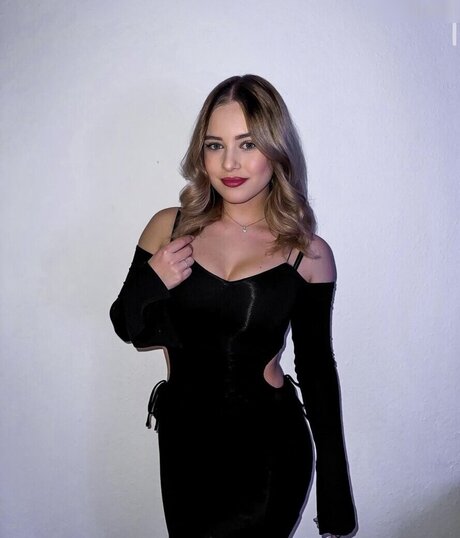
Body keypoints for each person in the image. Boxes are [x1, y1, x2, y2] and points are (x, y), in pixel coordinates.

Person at [110, 74, 357, 538]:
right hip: (184, 447)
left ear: (275, 151)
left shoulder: (307, 254)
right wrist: (153, 279)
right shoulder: (169, 228)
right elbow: (129, 327)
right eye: (214, 145)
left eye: (247, 144)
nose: (229, 162)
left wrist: (335, 494)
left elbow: (317, 371)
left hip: (270, 451)